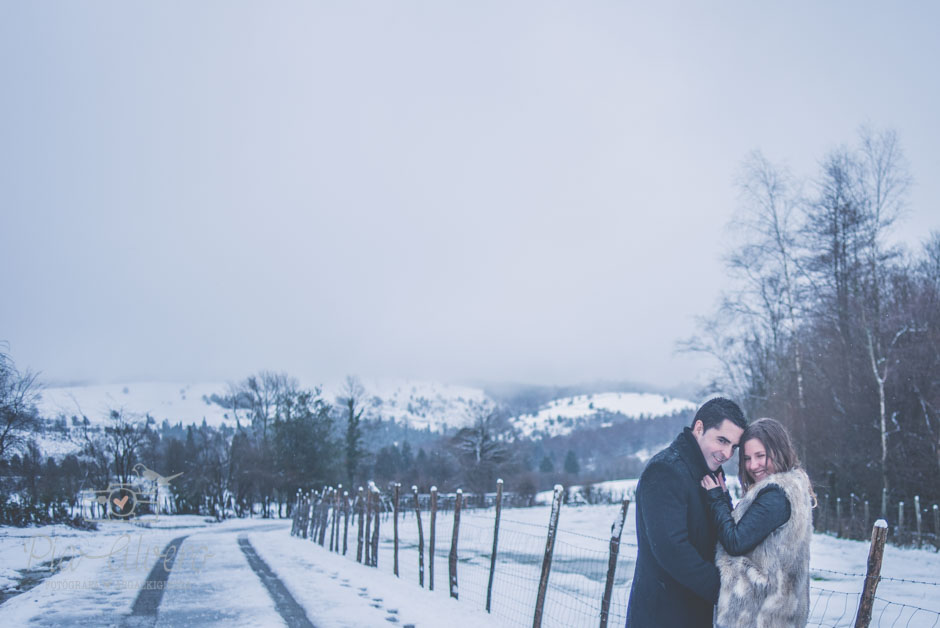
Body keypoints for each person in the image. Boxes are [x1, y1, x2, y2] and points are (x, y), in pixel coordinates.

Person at [626, 397, 747, 627]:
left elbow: (722, 534)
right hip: (663, 616)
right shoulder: (665, 470)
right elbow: (673, 550)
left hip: (694, 612)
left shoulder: (710, 473)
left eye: (734, 446)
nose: (727, 453)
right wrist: (726, 592)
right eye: (722, 440)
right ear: (699, 428)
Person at [701, 418, 814, 628]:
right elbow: (749, 531)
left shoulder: (776, 495)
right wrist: (724, 498)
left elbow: (735, 542)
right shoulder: (790, 487)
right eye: (747, 458)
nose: (753, 466)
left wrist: (715, 498)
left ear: (779, 451)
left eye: (761, 456)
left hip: (760, 616)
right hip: (774, 613)